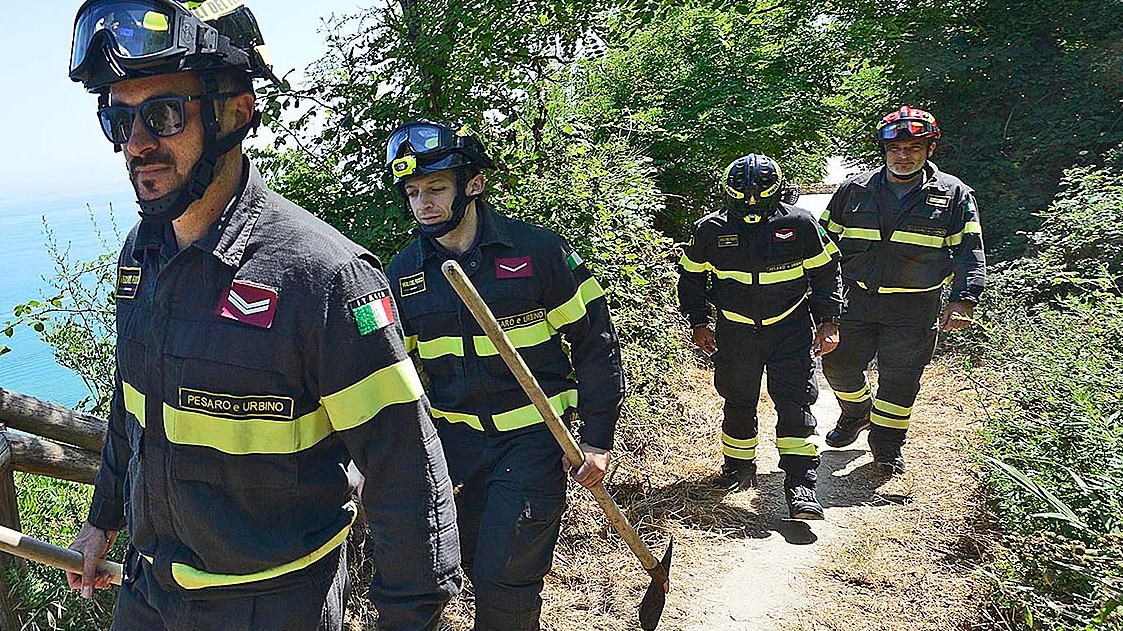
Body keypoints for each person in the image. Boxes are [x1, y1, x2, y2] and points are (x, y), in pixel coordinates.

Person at [64, 2, 460, 629]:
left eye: (163, 115)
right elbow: (132, 407)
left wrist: (410, 615)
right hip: (147, 593)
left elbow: (406, 468)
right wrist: (101, 520)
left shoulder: (326, 277)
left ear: (236, 113)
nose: (137, 143)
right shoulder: (142, 256)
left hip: (271, 605)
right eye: (118, 117)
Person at [383, 120, 625, 630]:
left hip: (535, 442)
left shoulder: (538, 252)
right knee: (469, 565)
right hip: (455, 449)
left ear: (474, 184)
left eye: (436, 188)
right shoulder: (402, 273)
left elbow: (595, 345)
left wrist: (597, 440)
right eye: (413, 192)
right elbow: (388, 373)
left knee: (506, 577)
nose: (423, 203)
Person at [819, 106, 986, 474]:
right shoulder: (853, 190)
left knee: (901, 377)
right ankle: (858, 412)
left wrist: (963, 299)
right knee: (837, 364)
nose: (904, 155)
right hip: (855, 297)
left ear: (930, 149)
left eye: (914, 147)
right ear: (884, 149)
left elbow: (968, 251)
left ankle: (887, 444)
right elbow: (820, 245)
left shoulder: (954, 194)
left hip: (915, 304)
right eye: (896, 148)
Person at [678, 154, 843, 520]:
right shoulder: (710, 229)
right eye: (741, 194)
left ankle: (800, 486)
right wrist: (699, 322)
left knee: (795, 404)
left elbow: (826, 274)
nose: (750, 202)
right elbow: (690, 279)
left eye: (759, 194)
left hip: (790, 330)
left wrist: (828, 321)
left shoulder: (799, 224)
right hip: (735, 331)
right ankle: (738, 470)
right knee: (738, 400)